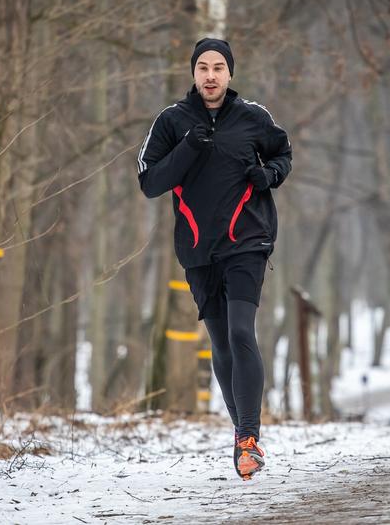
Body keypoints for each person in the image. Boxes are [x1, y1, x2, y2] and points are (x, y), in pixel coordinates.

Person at [137, 38, 292, 480]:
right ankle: (241, 433)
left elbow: (283, 153)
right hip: (199, 250)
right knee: (221, 343)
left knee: (242, 331)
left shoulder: (253, 117)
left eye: (218, 67)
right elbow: (149, 182)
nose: (210, 75)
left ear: (230, 74)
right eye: (202, 67)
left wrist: (271, 174)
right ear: (193, 73)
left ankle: (248, 438)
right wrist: (189, 147)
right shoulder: (172, 121)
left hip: (248, 240)